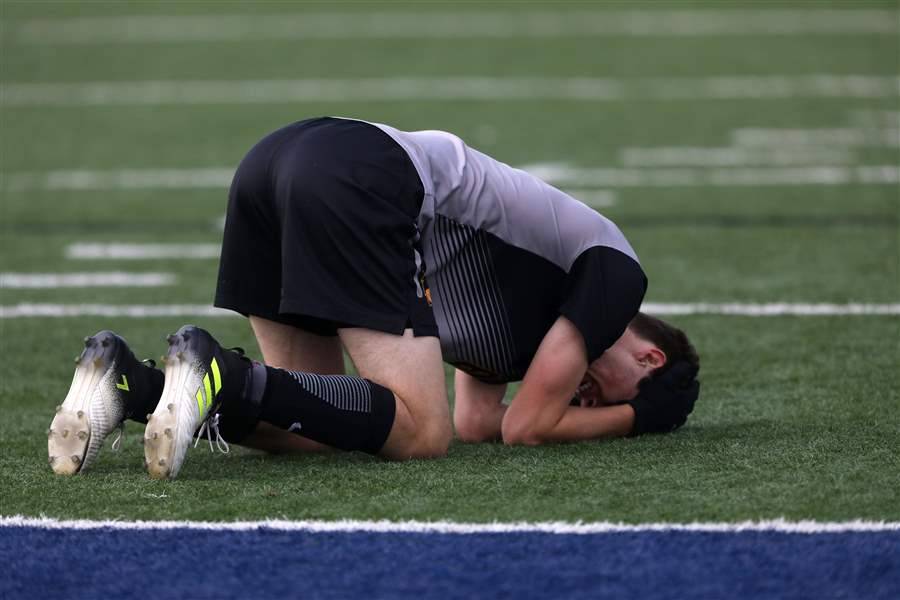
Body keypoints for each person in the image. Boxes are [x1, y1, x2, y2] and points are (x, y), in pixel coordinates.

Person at [47, 117, 699, 479]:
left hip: (279, 162)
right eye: (596, 396)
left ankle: (132, 384)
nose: (579, 401)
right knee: (422, 433)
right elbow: (528, 426)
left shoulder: (529, 334)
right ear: (649, 360)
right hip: (359, 174)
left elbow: (485, 422)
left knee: (313, 425)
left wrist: (605, 410)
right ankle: (224, 371)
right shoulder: (617, 278)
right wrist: (638, 420)